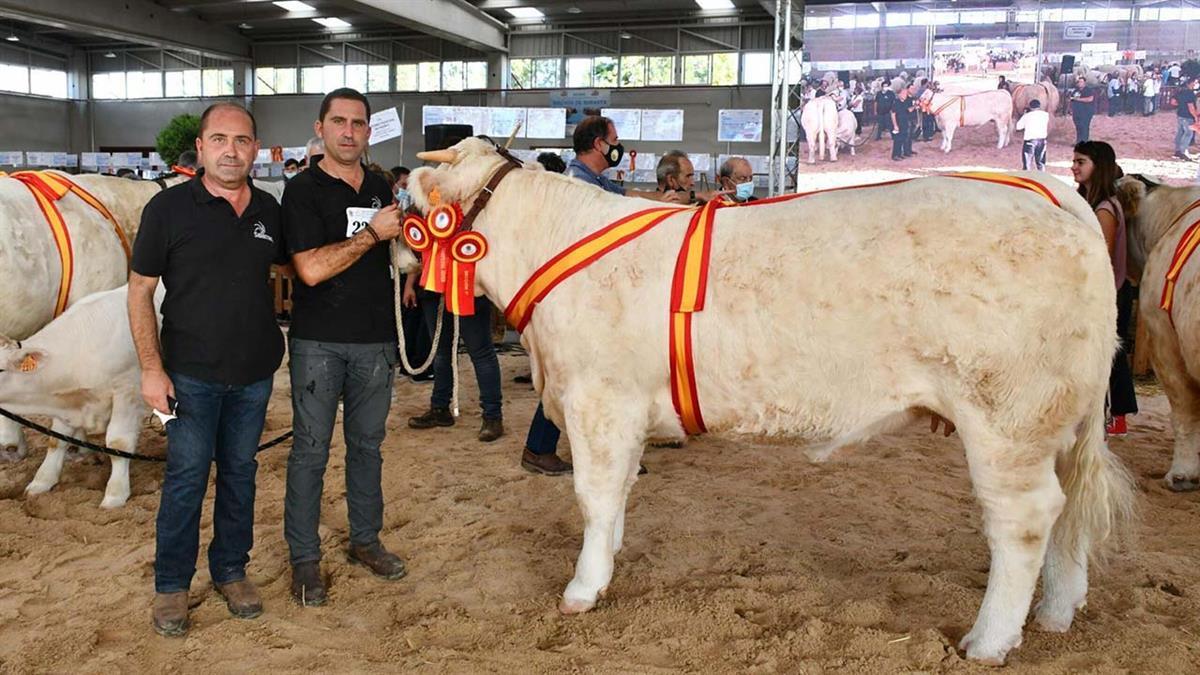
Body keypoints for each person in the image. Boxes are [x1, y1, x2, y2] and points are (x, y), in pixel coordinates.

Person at [129, 102, 285, 636]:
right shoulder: (168, 210)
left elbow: (301, 269)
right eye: (219, 139)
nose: (230, 150)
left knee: (240, 473)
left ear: (255, 150)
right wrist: (152, 369)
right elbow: (140, 290)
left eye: (241, 141)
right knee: (187, 478)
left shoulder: (268, 209)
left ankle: (231, 570)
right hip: (189, 374)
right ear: (200, 147)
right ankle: (172, 585)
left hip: (254, 372)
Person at [281, 88, 407, 607]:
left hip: (376, 341)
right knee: (310, 452)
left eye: (358, 123)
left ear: (368, 131)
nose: (349, 131)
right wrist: (374, 235)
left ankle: (365, 540)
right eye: (339, 122)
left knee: (368, 448)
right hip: (318, 343)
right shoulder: (302, 191)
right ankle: (305, 558)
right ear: (321, 128)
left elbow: (395, 251)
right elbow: (309, 269)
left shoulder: (381, 186)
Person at [520, 116, 679, 477]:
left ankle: (555, 449)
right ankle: (546, 449)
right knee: (574, 377)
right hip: (581, 297)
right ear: (598, 145)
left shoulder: (593, 181)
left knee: (587, 374)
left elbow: (626, 198)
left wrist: (661, 201)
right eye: (615, 140)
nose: (618, 146)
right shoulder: (576, 185)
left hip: (599, 293)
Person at [1070, 141, 1137, 436]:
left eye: (1081, 161)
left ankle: (1117, 415)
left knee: (1111, 352)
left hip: (1108, 291)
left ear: (1099, 166)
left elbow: (1102, 257)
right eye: (1074, 160)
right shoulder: (1089, 202)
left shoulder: (1105, 208)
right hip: (1101, 290)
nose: (1074, 166)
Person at [654, 151, 726, 204]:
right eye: (688, 176)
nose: (692, 183)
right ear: (670, 180)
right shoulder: (649, 205)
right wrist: (697, 195)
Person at [1015, 99, 1049, 171]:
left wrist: (1024, 114)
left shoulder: (1027, 116)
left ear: (1030, 107)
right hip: (1042, 141)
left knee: (1027, 162)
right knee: (1040, 162)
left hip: (1030, 141)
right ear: (1039, 106)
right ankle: (1042, 177)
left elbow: (1018, 127)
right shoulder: (1046, 115)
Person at [1173, 77, 1198, 160]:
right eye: (1194, 82)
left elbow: (1173, 102)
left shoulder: (1180, 91)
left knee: (1180, 132)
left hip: (1180, 114)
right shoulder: (1190, 93)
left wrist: (1181, 104)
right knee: (1188, 134)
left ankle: (1177, 150)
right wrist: (1196, 117)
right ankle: (1183, 151)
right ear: (1190, 83)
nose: (1195, 84)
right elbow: (1191, 107)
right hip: (1188, 116)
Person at [890, 84, 915, 161]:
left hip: (904, 123)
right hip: (898, 124)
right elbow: (893, 114)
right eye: (903, 94)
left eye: (905, 94)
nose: (905, 95)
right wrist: (895, 125)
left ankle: (900, 154)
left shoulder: (904, 102)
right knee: (897, 140)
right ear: (899, 94)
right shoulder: (896, 102)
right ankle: (895, 155)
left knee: (902, 139)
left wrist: (915, 106)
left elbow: (909, 110)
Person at [1069, 77, 1096, 143]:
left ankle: (1084, 141)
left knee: (1084, 127)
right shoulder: (1075, 91)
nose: (1080, 83)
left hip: (1086, 112)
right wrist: (1070, 109)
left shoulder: (1088, 90)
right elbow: (1071, 100)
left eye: (1081, 82)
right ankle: (1078, 141)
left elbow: (1090, 99)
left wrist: (1078, 99)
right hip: (1077, 112)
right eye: (1079, 82)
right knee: (1078, 127)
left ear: (1084, 83)